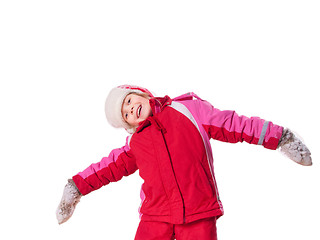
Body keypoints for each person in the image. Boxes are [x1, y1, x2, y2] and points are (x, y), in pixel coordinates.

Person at [56, 84, 312, 240]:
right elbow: (106, 168)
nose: (130, 108)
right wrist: (74, 189)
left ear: (142, 94)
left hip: (199, 209)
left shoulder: (188, 110)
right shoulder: (135, 144)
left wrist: (281, 137)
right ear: (128, 125)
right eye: (124, 114)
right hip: (155, 215)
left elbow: (235, 125)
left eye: (130, 100)